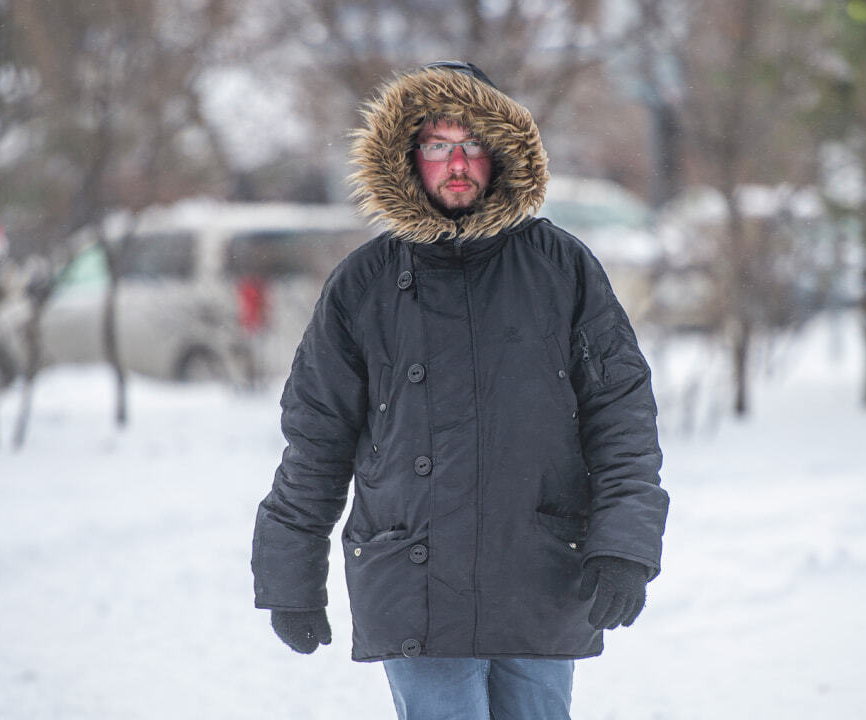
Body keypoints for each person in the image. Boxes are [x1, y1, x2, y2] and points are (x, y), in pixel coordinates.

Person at [251, 61, 669, 720]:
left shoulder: (562, 269)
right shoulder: (364, 284)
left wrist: (625, 543)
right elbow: (316, 441)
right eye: (439, 145)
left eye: (472, 145)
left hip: (538, 573)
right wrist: (289, 575)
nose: (457, 163)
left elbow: (622, 419)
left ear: (501, 156)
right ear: (408, 157)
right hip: (413, 581)